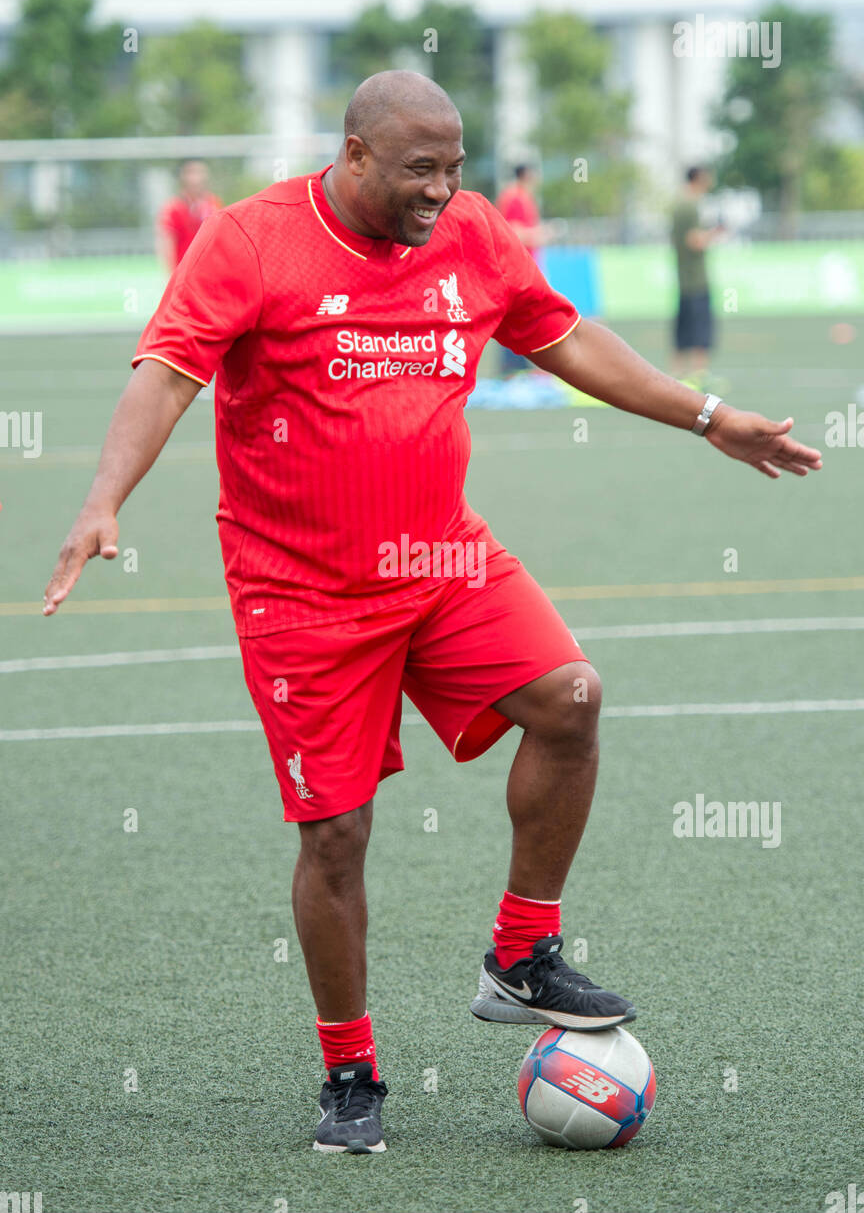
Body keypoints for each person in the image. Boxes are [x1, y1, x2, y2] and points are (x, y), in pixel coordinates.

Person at [43, 71, 821, 1156]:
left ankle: (521, 953)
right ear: (354, 155)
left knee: (571, 698)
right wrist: (102, 498)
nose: (445, 189)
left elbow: (566, 338)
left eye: (456, 167)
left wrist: (707, 415)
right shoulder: (252, 240)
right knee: (339, 832)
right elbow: (170, 371)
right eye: (422, 168)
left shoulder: (473, 235)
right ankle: (351, 1069)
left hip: (443, 558)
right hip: (300, 591)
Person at [494, 164, 559, 378]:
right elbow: (513, 232)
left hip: (526, 265)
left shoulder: (520, 197)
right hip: (518, 267)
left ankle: (520, 367)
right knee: (523, 314)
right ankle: (515, 369)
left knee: (524, 314)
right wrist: (541, 234)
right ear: (526, 175)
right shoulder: (515, 198)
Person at [671, 165, 725, 389]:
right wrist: (717, 232)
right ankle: (699, 375)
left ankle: (676, 374)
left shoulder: (678, 204)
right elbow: (694, 241)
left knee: (683, 326)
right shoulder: (690, 206)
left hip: (684, 276)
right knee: (700, 327)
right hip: (696, 278)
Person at [156, 159, 222, 274]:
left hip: (208, 273)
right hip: (183, 273)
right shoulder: (174, 208)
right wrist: (171, 275)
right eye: (191, 172)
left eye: (200, 172)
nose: (196, 178)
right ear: (182, 176)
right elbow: (166, 243)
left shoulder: (213, 203)